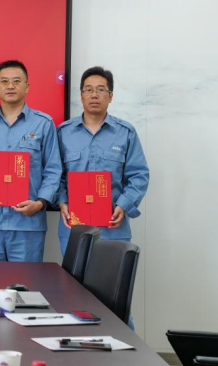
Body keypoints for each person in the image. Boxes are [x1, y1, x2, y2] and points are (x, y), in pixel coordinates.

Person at [0, 60, 62, 262]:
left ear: (27, 86)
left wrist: (40, 202)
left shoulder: (43, 124)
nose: (10, 86)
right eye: (4, 81)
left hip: (28, 223)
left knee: (25, 280)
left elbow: (53, 169)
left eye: (16, 81)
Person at [56, 66, 150, 255]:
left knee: (111, 274)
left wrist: (124, 205)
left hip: (113, 227)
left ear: (110, 96)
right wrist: (62, 201)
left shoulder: (126, 132)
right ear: (81, 95)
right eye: (88, 90)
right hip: (74, 227)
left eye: (100, 90)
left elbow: (139, 175)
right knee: (73, 275)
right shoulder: (64, 133)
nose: (94, 95)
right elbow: (55, 174)